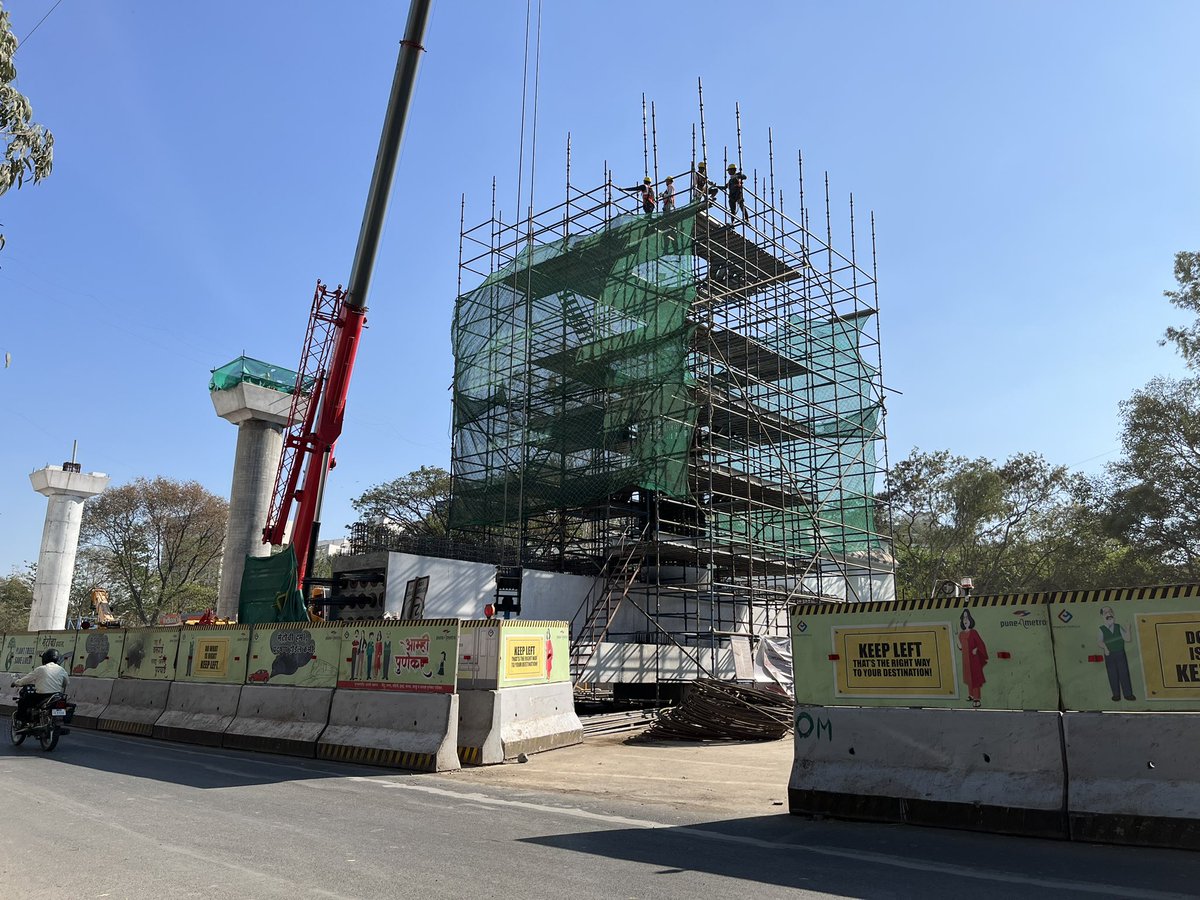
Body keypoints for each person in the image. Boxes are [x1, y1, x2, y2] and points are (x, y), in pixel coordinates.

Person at [13, 648, 70, 723]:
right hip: (56, 696)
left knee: (23, 701)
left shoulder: (41, 669)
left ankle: (24, 721)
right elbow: (66, 683)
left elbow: (26, 679)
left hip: (42, 696)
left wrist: (16, 683)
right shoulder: (61, 670)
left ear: (45, 658)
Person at [1097, 605, 1136, 701]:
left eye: (1110, 612)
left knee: (1124, 673)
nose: (1109, 614)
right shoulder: (1101, 629)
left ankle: (1128, 694)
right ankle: (1116, 695)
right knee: (1112, 674)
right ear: (1102, 616)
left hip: (1120, 653)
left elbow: (1127, 639)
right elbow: (1099, 642)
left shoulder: (1118, 627)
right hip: (1109, 655)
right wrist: (1105, 647)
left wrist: (1128, 629)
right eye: (1106, 613)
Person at [956, 609, 988, 707]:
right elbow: (961, 647)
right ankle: (971, 695)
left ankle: (977, 698)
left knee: (975, 678)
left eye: (967, 617)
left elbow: (981, 644)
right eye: (964, 618)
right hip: (965, 659)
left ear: (970, 620)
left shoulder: (973, 632)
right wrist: (956, 637)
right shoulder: (961, 634)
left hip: (974, 659)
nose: (965, 620)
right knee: (968, 678)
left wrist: (977, 649)